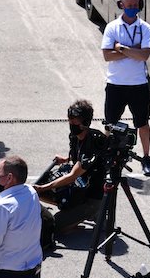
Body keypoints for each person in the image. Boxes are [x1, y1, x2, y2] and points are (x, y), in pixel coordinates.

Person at [101, 0, 150, 176]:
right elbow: (107, 55)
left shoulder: (145, 28)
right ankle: (106, 156)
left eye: (135, 5)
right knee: (110, 123)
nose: (132, 8)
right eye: (128, 5)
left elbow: (145, 55)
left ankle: (146, 158)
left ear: (138, 5)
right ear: (121, 4)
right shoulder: (112, 27)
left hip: (138, 84)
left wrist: (121, 48)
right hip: (115, 84)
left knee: (142, 123)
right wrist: (134, 50)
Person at [33, 99, 106, 234]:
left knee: (54, 227)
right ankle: (73, 212)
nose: (71, 124)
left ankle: (92, 212)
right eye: (70, 120)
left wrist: (43, 187)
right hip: (79, 189)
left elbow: (73, 175)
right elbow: (78, 157)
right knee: (43, 189)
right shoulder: (75, 136)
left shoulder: (95, 141)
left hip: (91, 196)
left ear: (85, 122)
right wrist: (66, 159)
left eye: (74, 122)